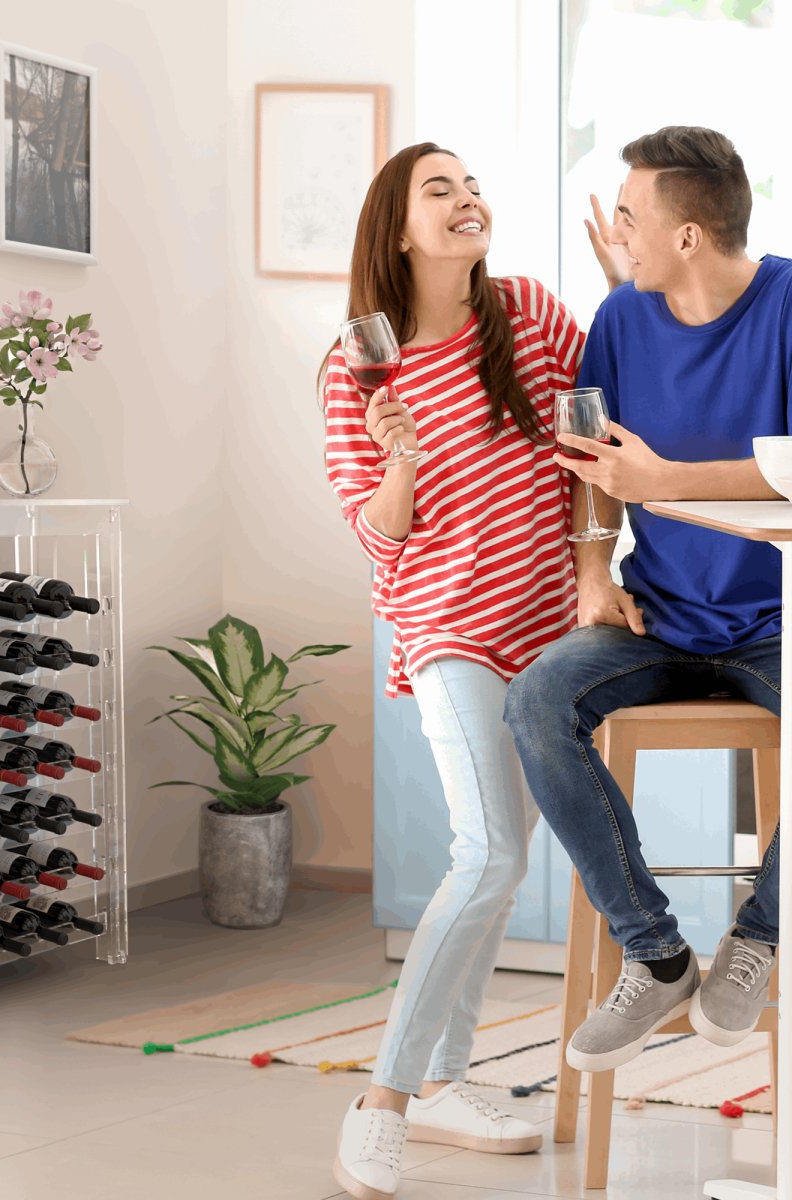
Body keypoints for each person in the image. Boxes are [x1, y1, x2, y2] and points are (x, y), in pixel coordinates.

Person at [322, 142, 584, 1200]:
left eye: (472, 186)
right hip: (446, 628)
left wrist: (593, 573)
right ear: (398, 228)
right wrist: (399, 460)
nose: (468, 200)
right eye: (442, 190)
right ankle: (381, 1102)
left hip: (552, 623)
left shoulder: (529, 312)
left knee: (505, 860)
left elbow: (587, 440)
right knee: (487, 854)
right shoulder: (359, 365)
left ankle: (442, 1081)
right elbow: (381, 540)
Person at [504, 125, 792, 1076]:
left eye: (631, 214)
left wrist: (666, 480)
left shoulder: (790, 305)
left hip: (777, 621)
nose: (615, 231)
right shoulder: (623, 318)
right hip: (658, 615)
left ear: (689, 236)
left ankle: (758, 936)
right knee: (538, 699)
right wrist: (593, 571)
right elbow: (593, 459)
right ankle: (657, 953)